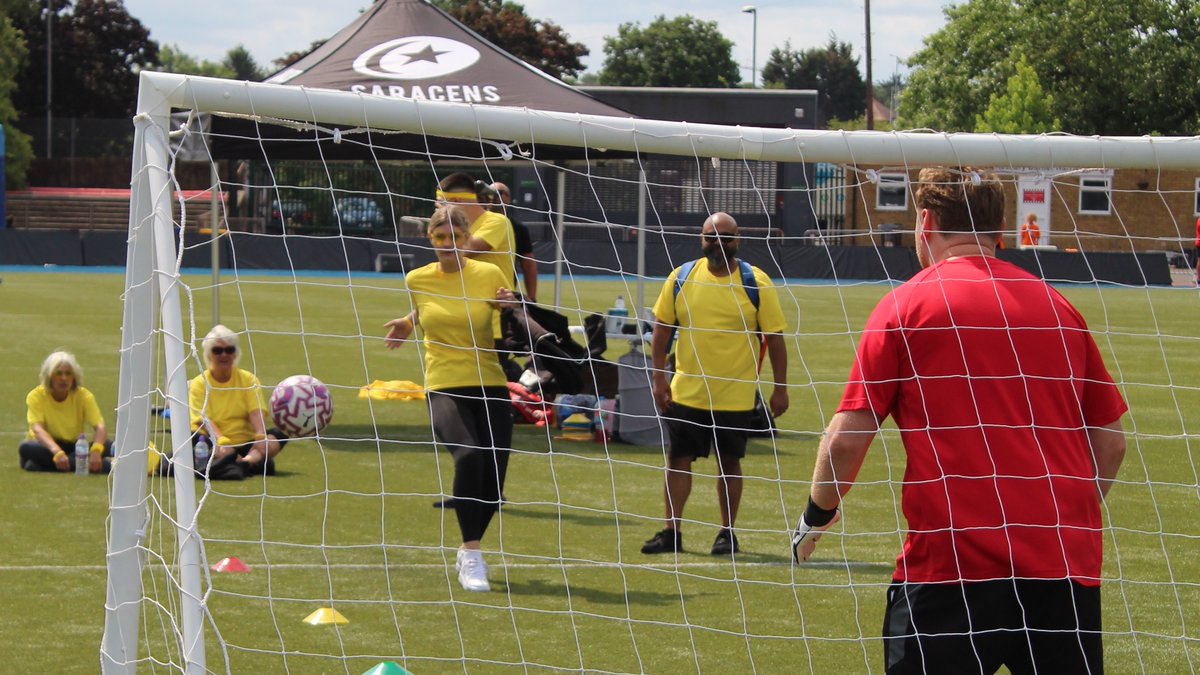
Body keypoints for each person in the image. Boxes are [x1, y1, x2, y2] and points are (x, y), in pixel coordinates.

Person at [791, 167, 1127, 673]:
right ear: (1000, 228)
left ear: (925, 221)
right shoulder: (1061, 308)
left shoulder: (905, 305)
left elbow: (845, 440)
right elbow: (1112, 442)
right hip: (1061, 570)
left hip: (949, 572)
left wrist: (815, 517)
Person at [384, 206, 517, 592]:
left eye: (454, 238)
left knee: (492, 484)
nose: (447, 245)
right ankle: (471, 553)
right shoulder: (417, 279)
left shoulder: (489, 274)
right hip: (444, 382)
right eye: (439, 237)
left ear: (466, 239)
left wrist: (508, 302)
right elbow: (430, 306)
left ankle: (468, 548)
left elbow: (498, 312)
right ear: (430, 239)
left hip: (490, 381)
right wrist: (409, 322)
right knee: (469, 455)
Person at [642, 212, 789, 556]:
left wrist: (780, 387)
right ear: (701, 239)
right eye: (712, 237)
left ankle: (727, 533)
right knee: (678, 459)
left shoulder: (756, 282)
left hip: (734, 396)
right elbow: (662, 329)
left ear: (738, 240)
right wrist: (658, 378)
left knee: (729, 463)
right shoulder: (681, 277)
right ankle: (671, 531)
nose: (719, 244)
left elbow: (776, 339)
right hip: (687, 391)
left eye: (726, 237)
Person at [187, 325, 287, 480]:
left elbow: (256, 411)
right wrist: (222, 441)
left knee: (278, 435)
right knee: (198, 441)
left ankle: (244, 463)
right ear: (208, 354)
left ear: (235, 353)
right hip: (214, 441)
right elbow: (204, 419)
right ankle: (253, 463)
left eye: (229, 350)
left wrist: (260, 436)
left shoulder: (248, 379)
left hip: (247, 444)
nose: (224, 355)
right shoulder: (199, 383)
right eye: (217, 350)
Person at [19, 350, 112, 473]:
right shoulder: (36, 396)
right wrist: (57, 452)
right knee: (26, 448)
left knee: (109, 445)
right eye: (58, 373)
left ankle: (48, 466)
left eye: (68, 374)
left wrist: (96, 451)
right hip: (47, 446)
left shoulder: (84, 396)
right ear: (49, 376)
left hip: (74, 447)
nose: (64, 378)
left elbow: (100, 427)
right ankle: (98, 466)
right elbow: (38, 430)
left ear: (74, 377)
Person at [491, 181, 538, 303]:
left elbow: (528, 264)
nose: (496, 195)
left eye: (501, 192)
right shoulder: (473, 223)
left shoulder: (518, 228)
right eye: (491, 192)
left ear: (509, 199)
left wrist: (532, 299)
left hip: (505, 293)